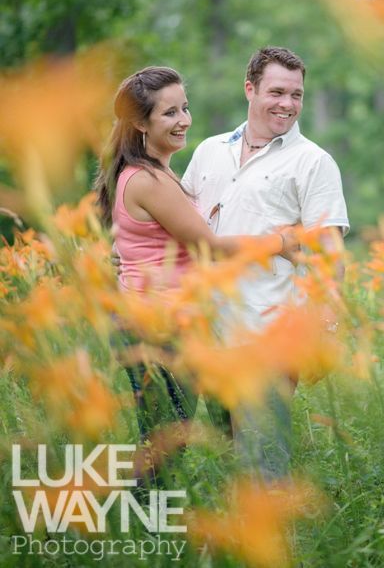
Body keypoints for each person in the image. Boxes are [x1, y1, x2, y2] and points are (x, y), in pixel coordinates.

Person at [93, 66, 298, 484]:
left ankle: (244, 507)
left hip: (178, 323)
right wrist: (281, 243)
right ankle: (139, 535)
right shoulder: (150, 179)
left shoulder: (159, 173)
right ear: (140, 123)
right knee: (166, 442)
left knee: (215, 424)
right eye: (169, 113)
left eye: (184, 108)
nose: (184, 120)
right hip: (157, 327)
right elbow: (209, 246)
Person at [181, 45, 350, 479]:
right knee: (224, 459)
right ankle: (232, 546)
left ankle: (278, 546)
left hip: (269, 331)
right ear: (249, 89)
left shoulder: (313, 162)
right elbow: (183, 225)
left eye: (297, 95)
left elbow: (330, 255)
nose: (288, 104)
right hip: (207, 329)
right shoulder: (209, 151)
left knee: (263, 466)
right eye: (277, 92)